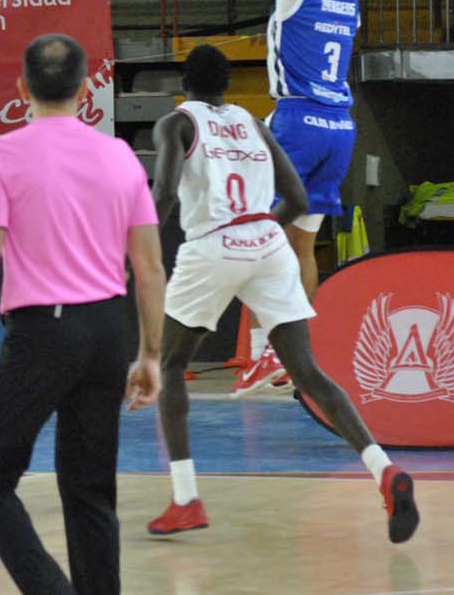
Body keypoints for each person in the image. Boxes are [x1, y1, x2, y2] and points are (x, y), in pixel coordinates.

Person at [0, 33, 166, 595]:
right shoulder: (119, 157)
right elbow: (149, 267)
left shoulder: (2, 154)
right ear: (86, 85)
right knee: (91, 491)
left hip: (44, 332)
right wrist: (149, 354)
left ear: (21, 86)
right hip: (107, 331)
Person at [145, 44, 419, 544]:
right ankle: (384, 470)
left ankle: (185, 499)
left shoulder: (176, 123)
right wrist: (259, 232)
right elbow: (295, 199)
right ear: (227, 84)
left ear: (185, 82)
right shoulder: (255, 123)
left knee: (169, 367)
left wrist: (135, 247)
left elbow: (163, 195)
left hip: (212, 245)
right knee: (308, 372)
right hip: (268, 243)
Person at [171, 0, 360, 395]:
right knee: (301, 248)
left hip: (299, 122)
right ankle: (297, 355)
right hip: (339, 128)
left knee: (255, 237)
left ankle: (263, 355)